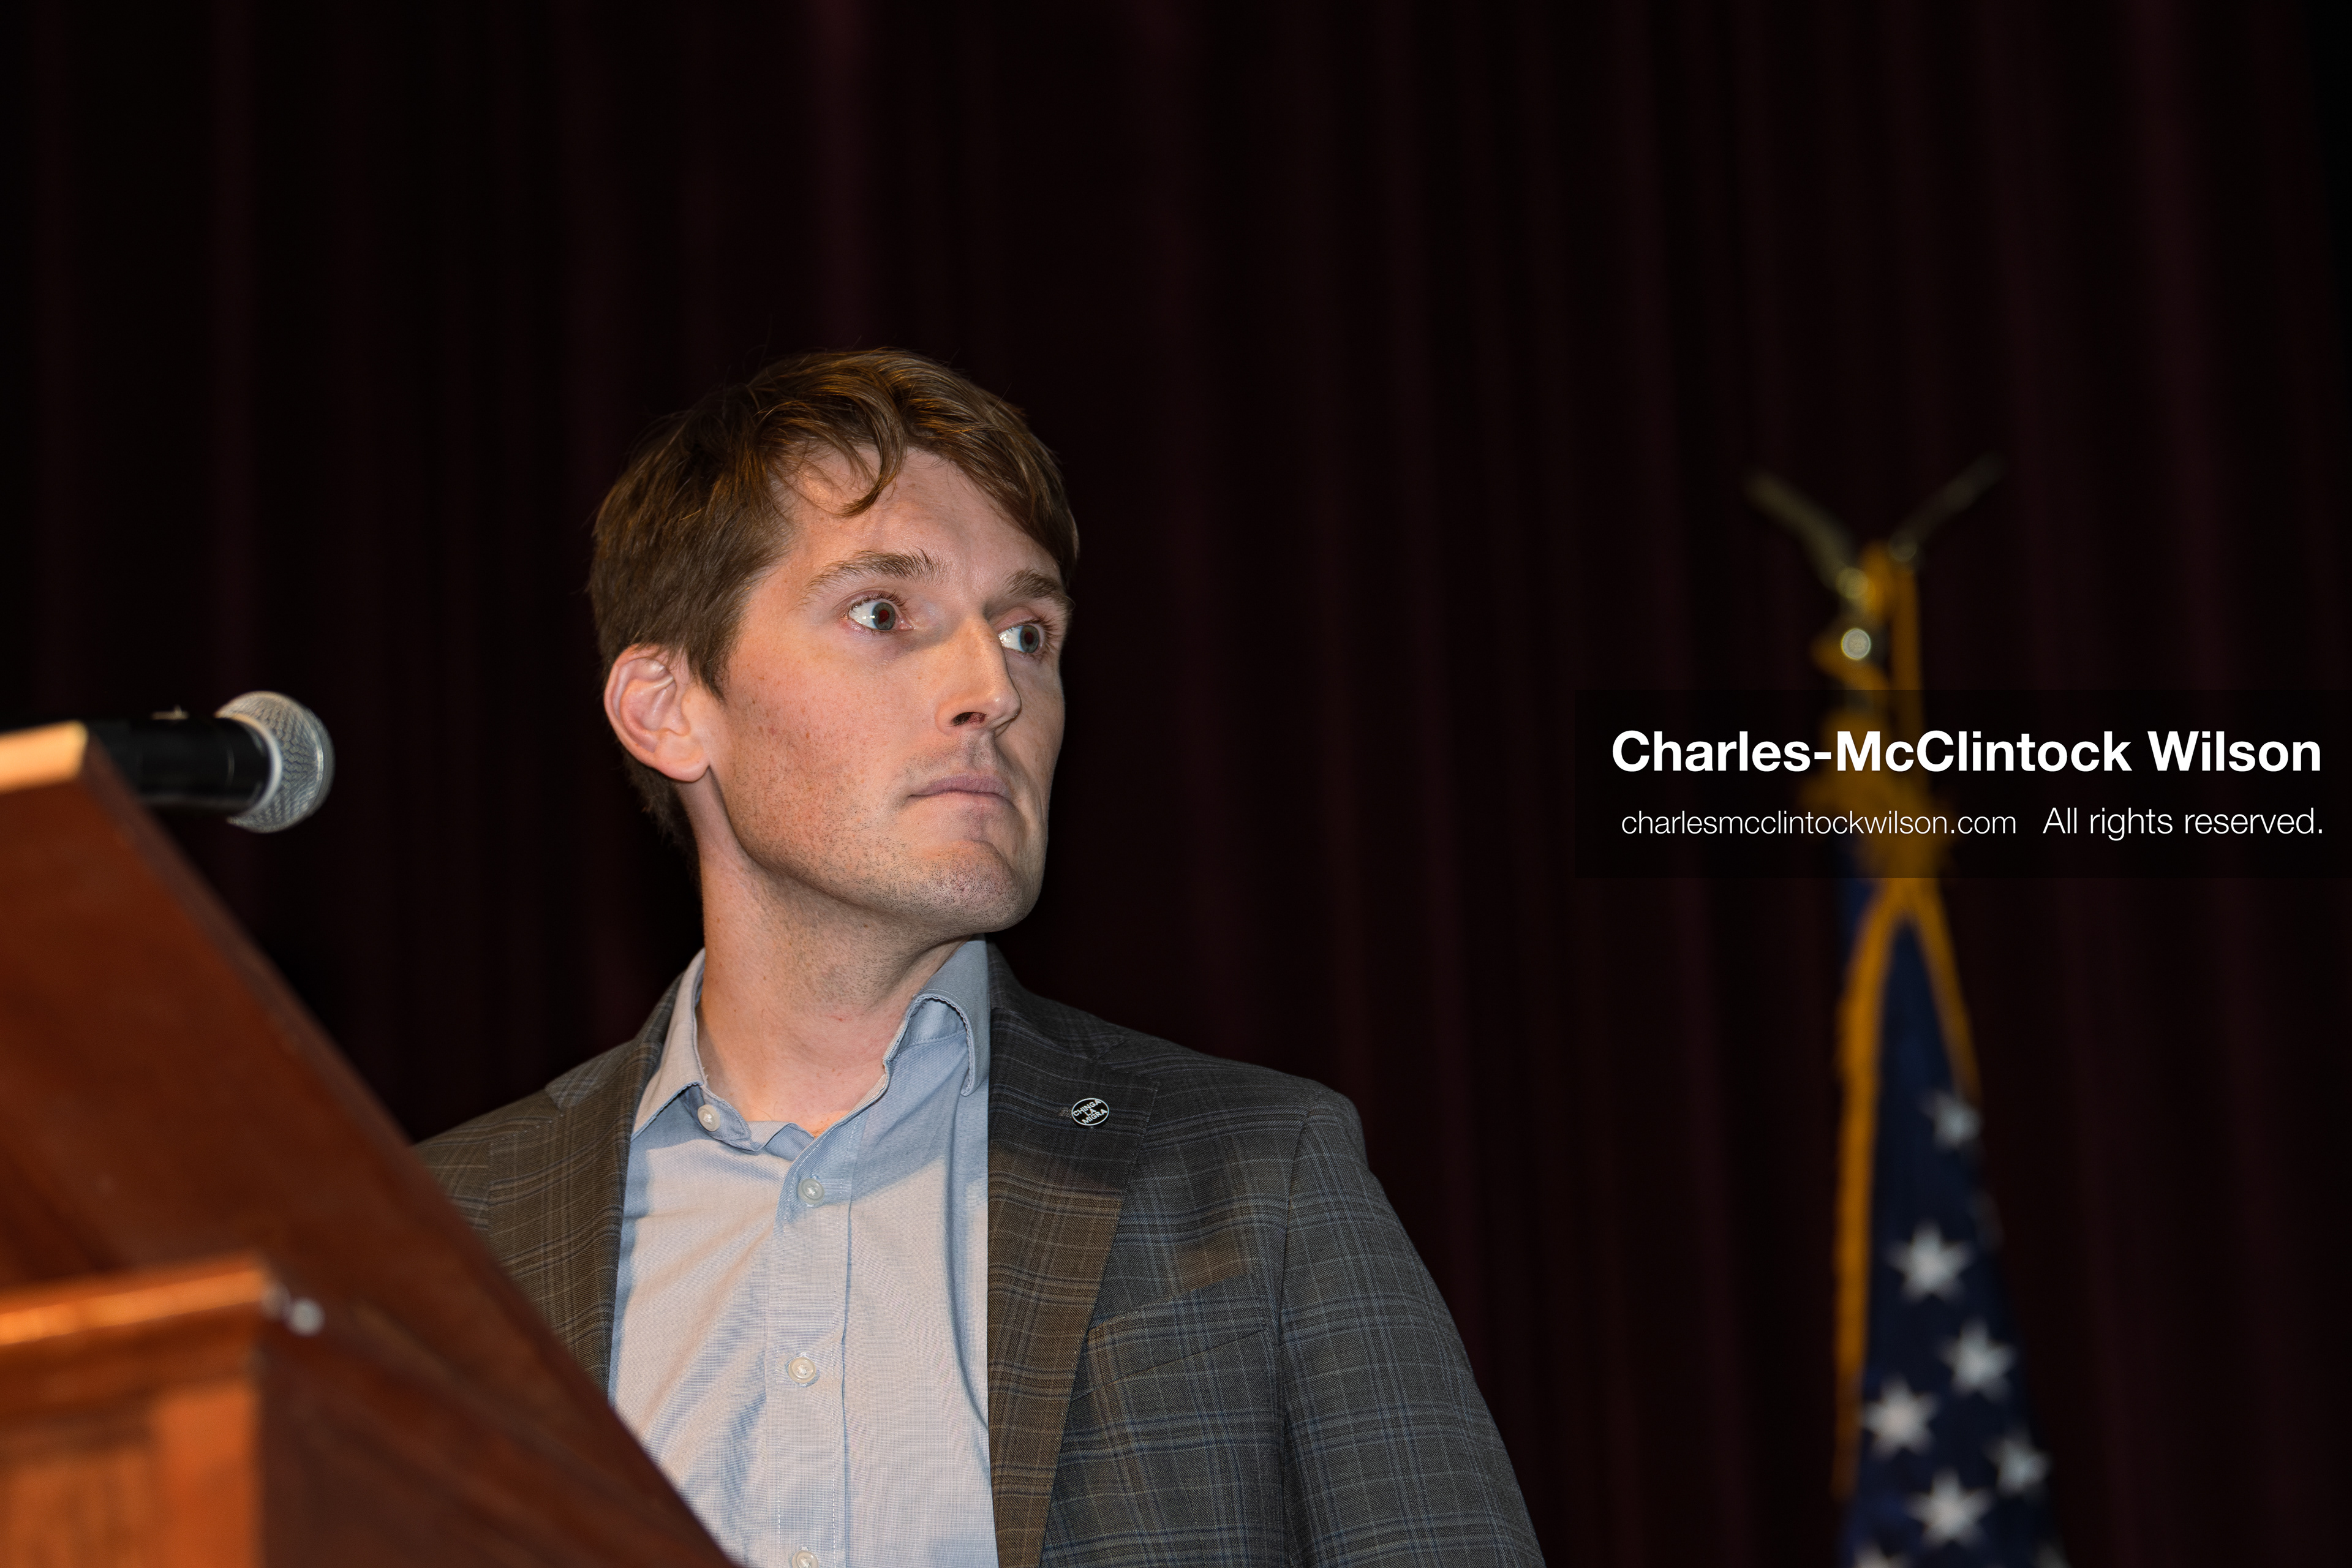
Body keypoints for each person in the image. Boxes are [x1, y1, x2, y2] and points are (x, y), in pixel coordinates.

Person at [417, 350, 1539, 1568]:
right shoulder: (441, 1227)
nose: (993, 685)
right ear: (669, 706)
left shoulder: (1258, 1176)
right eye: (885, 612)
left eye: (1028, 628)